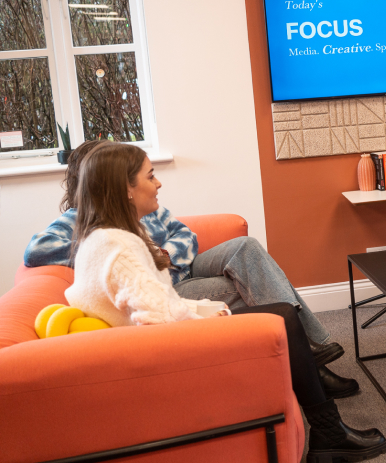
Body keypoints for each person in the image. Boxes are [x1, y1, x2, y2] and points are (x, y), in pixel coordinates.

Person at [63, 142, 386, 463]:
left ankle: (326, 421)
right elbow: (161, 320)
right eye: (150, 176)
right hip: (160, 355)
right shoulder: (116, 247)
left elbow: (163, 299)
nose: (158, 183)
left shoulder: (115, 235)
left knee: (275, 308)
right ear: (126, 189)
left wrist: (205, 309)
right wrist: (216, 314)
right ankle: (328, 428)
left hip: (154, 342)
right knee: (282, 316)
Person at [23, 140, 357, 398]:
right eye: (149, 175)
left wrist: (166, 253)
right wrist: (127, 250)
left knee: (246, 247)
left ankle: (314, 346)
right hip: (168, 288)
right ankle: (310, 361)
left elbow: (185, 233)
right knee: (258, 290)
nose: (156, 182)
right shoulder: (84, 224)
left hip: (181, 268)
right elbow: (37, 250)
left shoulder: (148, 207)